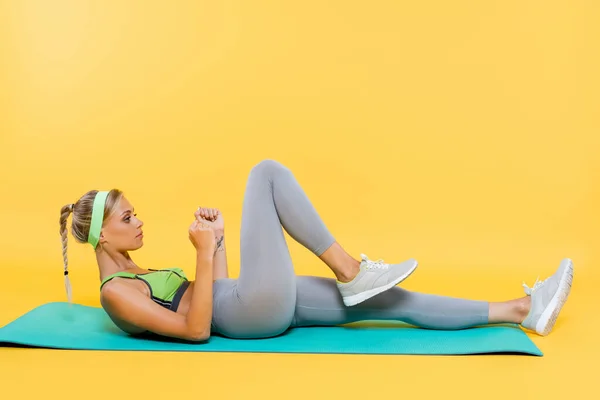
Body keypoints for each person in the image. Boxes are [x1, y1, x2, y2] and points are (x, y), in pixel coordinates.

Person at [58, 159, 573, 342]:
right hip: (245, 314)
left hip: (244, 302)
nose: (140, 220)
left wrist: (215, 243)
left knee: (388, 303)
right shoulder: (116, 295)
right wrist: (201, 254)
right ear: (103, 235)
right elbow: (197, 330)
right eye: (128, 218)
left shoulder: (137, 271)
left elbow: (208, 295)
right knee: (265, 174)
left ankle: (524, 310)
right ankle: (350, 269)